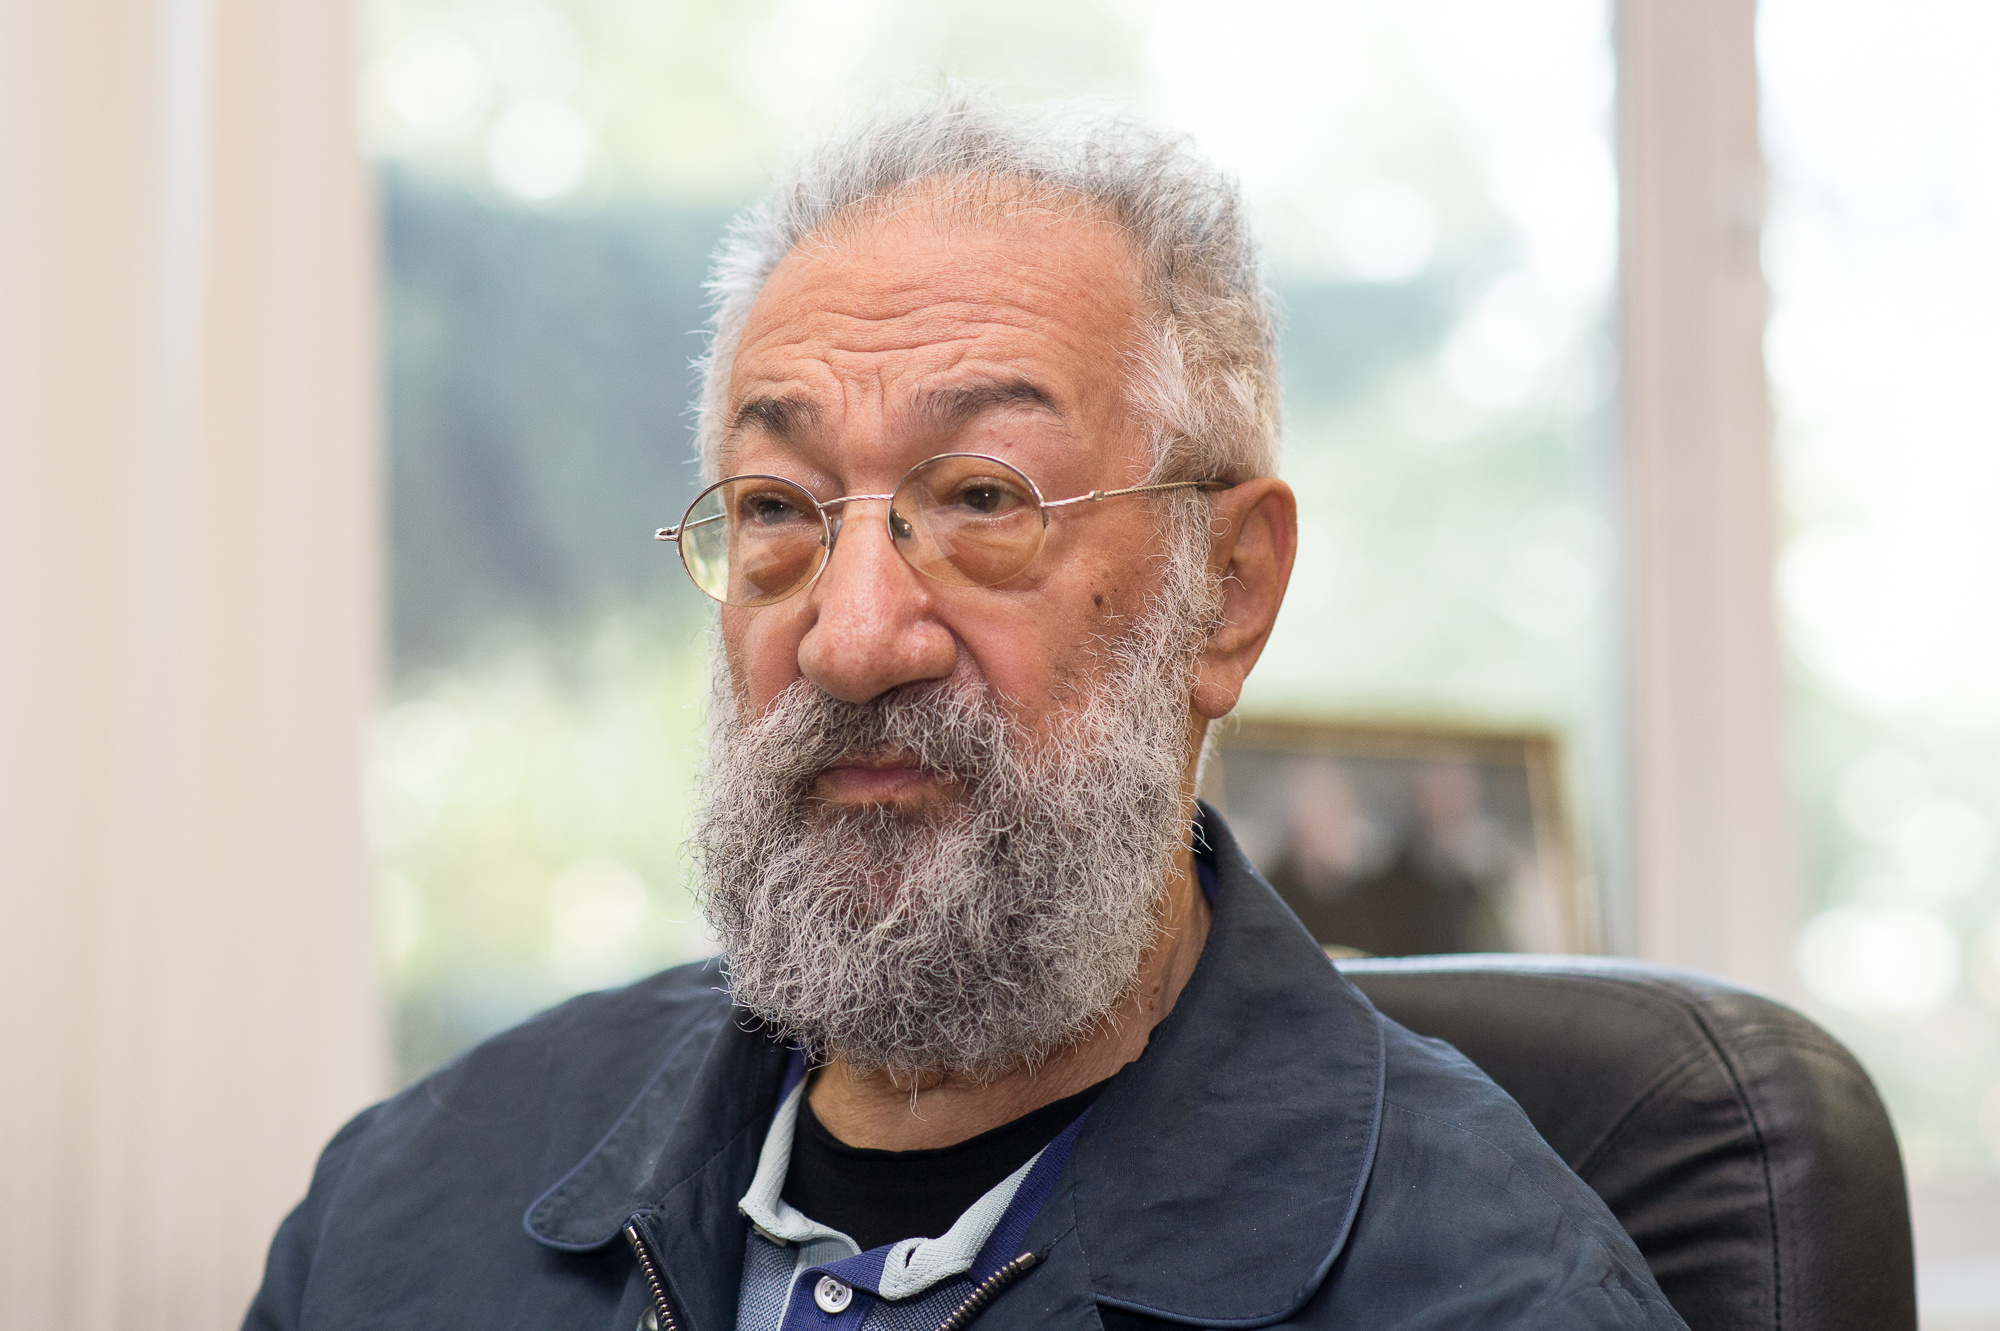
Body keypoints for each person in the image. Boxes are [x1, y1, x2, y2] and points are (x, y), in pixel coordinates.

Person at [245, 94, 1686, 1330]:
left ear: (1227, 593)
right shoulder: (400, 1212)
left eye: (984, 498)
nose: (854, 638)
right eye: (778, 510)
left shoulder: (1494, 1293)